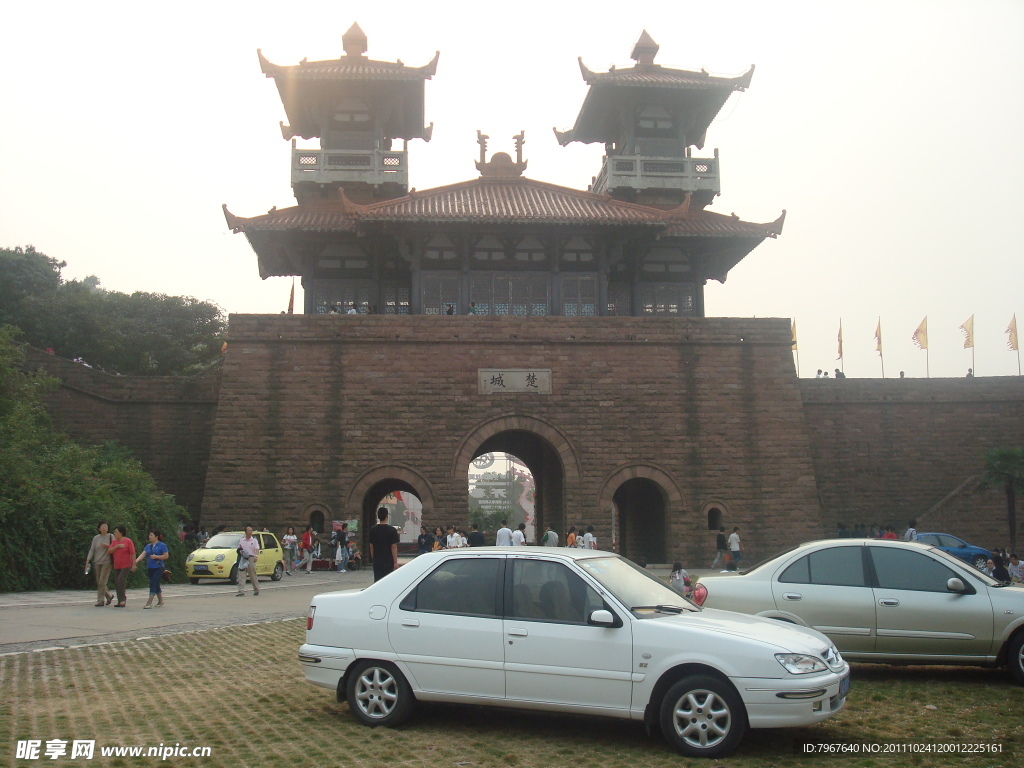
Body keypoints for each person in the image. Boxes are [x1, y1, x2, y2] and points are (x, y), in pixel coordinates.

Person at [132, 530, 169, 608]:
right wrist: (137, 560)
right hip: (150, 567)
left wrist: (157, 557)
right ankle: (160, 601)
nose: (150, 537)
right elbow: (143, 553)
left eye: (152, 535)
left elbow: (166, 556)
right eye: (149, 535)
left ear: (156, 537)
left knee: (152, 582)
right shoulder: (148, 546)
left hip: (158, 567)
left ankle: (149, 602)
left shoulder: (162, 545)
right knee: (156, 584)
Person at [85, 521, 115, 607]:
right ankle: (109, 596)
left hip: (107, 562)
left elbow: (114, 547)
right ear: (99, 528)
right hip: (97, 562)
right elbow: (92, 550)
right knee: (99, 582)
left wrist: (107, 546)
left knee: (102, 582)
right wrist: (88, 560)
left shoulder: (110, 536)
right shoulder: (96, 538)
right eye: (102, 526)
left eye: (106, 526)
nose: (104, 528)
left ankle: (100, 600)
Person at [106, 525, 135, 608]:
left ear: (121, 532)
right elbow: (109, 551)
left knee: (120, 580)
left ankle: (123, 600)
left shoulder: (128, 541)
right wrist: (117, 546)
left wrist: (134, 564)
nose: (114, 533)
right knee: (117, 582)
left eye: (116, 532)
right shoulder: (114, 542)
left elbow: (132, 553)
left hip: (126, 565)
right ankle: (120, 600)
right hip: (117, 565)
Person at [368, 507, 400, 582]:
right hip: (388, 561)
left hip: (377, 560)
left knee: (378, 581)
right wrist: (395, 562)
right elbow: (393, 547)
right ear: (387, 516)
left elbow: (371, 546)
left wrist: (374, 558)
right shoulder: (392, 530)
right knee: (388, 581)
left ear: (378, 516)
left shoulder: (373, 529)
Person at [235, 526, 261, 596]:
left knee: (252, 574)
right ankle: (241, 591)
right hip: (243, 558)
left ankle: (256, 589)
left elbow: (257, 549)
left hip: (251, 557)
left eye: (251, 530)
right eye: (249, 531)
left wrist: (256, 556)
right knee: (241, 574)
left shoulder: (254, 540)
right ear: (245, 532)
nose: (250, 532)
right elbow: (238, 548)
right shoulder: (242, 540)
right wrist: (240, 551)